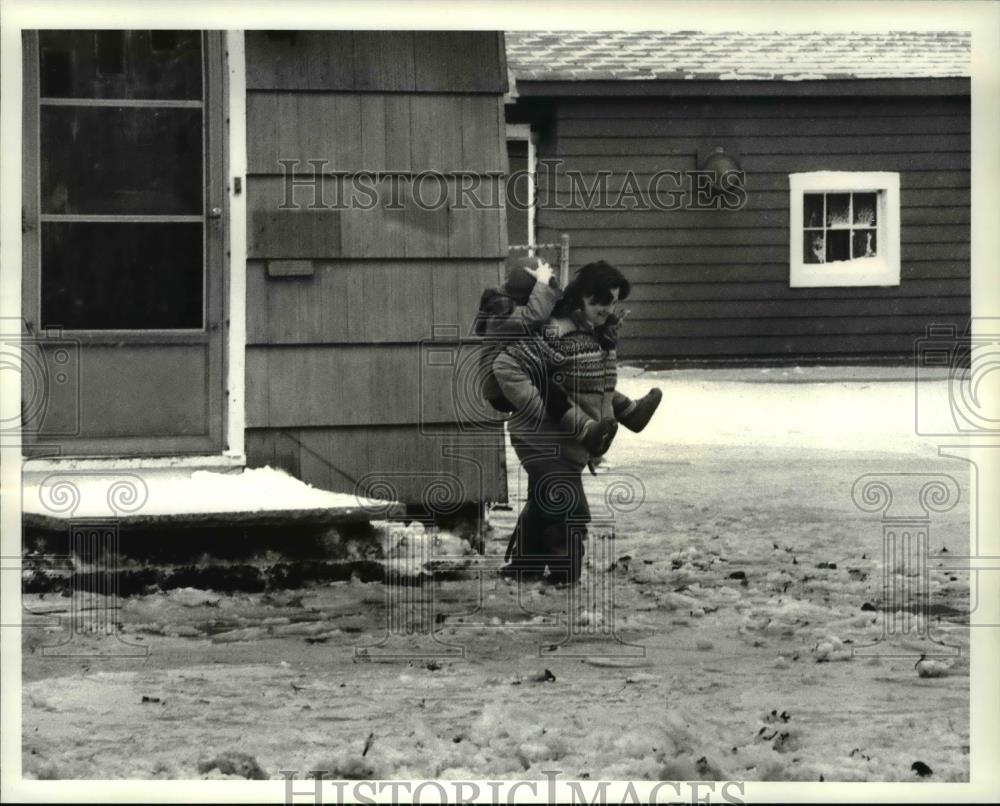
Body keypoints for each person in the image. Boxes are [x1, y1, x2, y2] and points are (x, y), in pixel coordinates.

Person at [492, 260, 662, 584]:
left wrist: (616, 414)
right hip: (540, 436)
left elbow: (593, 389)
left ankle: (524, 566)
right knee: (568, 505)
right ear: (582, 297)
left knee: (546, 498)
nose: (607, 308)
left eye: (613, 301)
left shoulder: (593, 334)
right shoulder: (557, 329)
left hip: (569, 437)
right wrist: (538, 405)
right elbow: (506, 365)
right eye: (600, 300)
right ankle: (563, 573)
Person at [474, 256, 619, 456]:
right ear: (528, 293)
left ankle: (626, 411)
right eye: (537, 292)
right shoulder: (501, 312)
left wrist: (550, 282)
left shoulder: (516, 304)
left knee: (576, 374)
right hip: (499, 387)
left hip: (525, 368)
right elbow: (534, 315)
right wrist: (542, 282)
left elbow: (555, 302)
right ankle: (585, 430)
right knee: (554, 388)